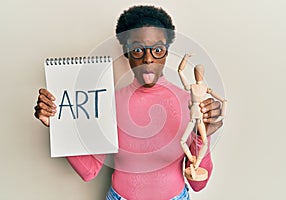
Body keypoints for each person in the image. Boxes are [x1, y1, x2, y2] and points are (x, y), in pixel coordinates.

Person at [34, 5, 223, 200]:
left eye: (158, 49)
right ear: (126, 52)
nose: (148, 58)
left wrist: (202, 136)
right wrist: (58, 125)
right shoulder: (108, 104)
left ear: (166, 52)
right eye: (138, 49)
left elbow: (198, 184)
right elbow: (89, 171)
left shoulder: (189, 104)